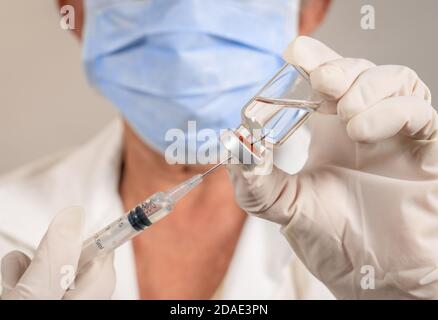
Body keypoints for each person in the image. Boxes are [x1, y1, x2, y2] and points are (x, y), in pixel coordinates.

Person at [1, 0, 437, 300]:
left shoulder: (395, 214)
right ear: (73, 10)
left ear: (310, 7)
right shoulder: (8, 222)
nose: (191, 11)